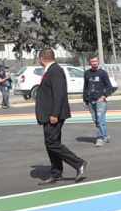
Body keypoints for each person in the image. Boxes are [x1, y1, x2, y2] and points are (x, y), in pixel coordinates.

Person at [35, 48, 87, 184]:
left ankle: (79, 163)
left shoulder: (55, 70)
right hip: (47, 114)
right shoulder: (50, 70)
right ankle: (56, 172)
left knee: (51, 142)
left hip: (54, 114)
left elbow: (59, 94)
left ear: (41, 58)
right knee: (52, 143)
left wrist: (54, 113)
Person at [83, 55, 114, 147]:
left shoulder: (102, 73)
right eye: (92, 61)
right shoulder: (87, 73)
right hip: (90, 101)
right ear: (89, 62)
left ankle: (100, 138)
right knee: (96, 120)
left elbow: (109, 87)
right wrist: (84, 99)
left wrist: (103, 96)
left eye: (96, 61)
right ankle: (105, 135)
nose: (94, 63)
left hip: (100, 101)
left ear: (98, 61)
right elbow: (85, 87)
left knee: (100, 120)